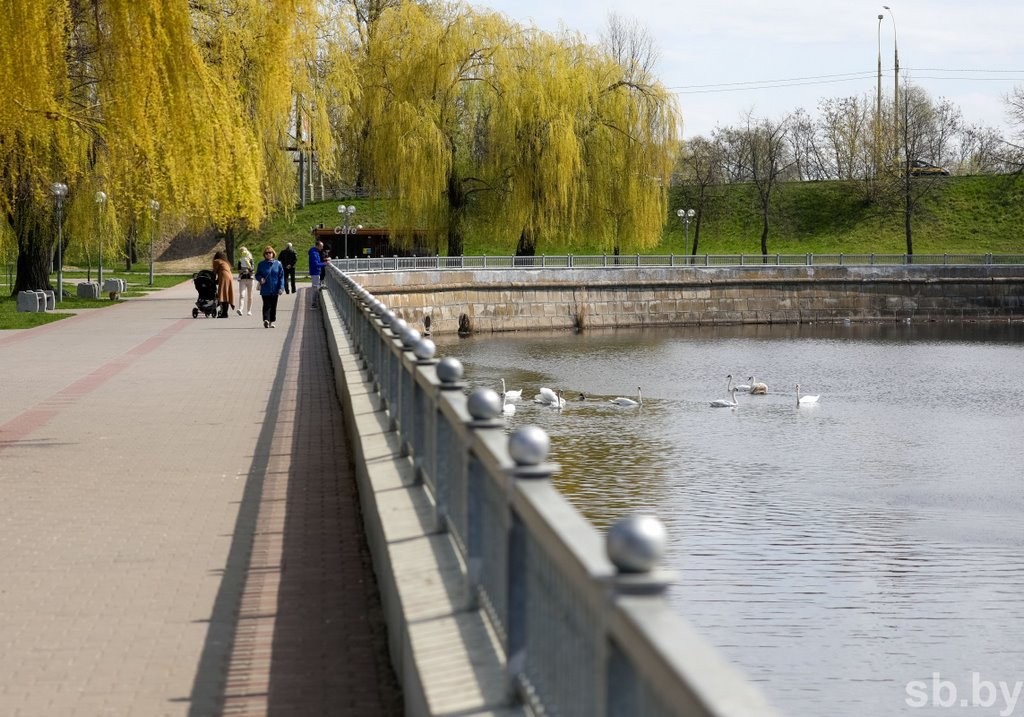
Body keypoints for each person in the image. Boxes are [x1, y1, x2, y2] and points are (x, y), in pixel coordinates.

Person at [254, 245, 285, 328]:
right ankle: (266, 320)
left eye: (270, 253)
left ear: (273, 253)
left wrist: (281, 288)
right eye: (266, 253)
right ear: (264, 255)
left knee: (273, 306)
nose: (268, 254)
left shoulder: (278, 264)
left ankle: (271, 321)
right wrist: (261, 279)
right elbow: (257, 275)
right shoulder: (261, 264)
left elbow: (281, 276)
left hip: (275, 289)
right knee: (267, 305)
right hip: (265, 289)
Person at [212, 251, 235, 318]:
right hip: (229, 277)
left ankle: (224, 314)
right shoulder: (226, 262)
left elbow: (214, 272)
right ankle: (225, 312)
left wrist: (211, 279)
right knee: (227, 295)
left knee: (223, 295)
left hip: (224, 277)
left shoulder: (217, 261)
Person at [235, 246, 256, 315]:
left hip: (250, 279)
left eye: (243, 251)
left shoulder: (250, 260)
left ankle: (249, 311)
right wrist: (243, 271)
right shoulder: (240, 260)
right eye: (241, 252)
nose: (242, 253)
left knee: (250, 296)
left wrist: (249, 269)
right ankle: (240, 309)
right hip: (243, 279)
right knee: (242, 295)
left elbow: (253, 269)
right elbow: (238, 270)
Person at [308, 240, 328, 308]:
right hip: (315, 272)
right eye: (321, 247)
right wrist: (325, 264)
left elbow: (317, 262)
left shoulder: (315, 252)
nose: (322, 248)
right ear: (317, 246)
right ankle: (313, 304)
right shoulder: (314, 253)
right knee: (315, 288)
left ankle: (314, 303)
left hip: (316, 272)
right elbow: (315, 264)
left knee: (316, 287)